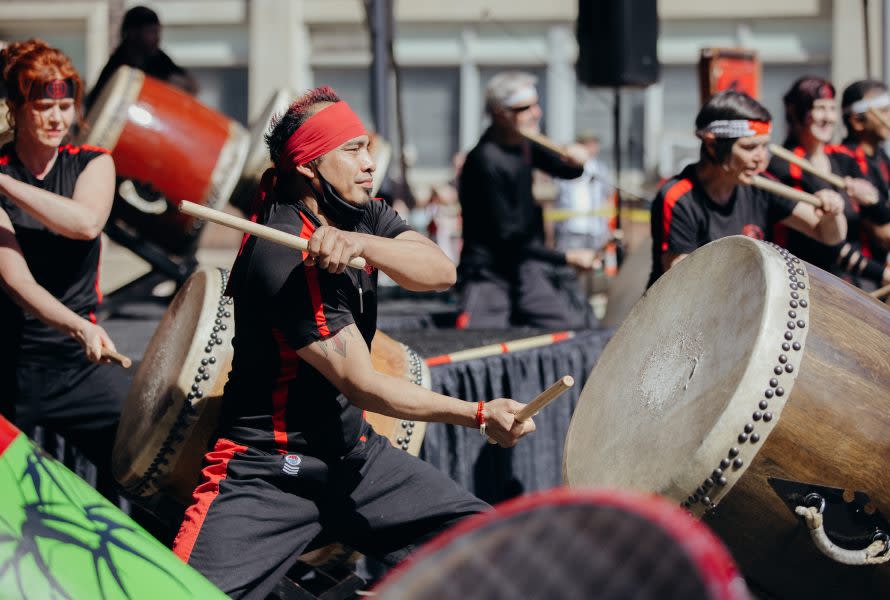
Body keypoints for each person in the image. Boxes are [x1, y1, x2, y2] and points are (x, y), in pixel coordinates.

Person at [172, 87, 535, 599]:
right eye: (352, 150)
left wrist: (363, 244)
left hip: (353, 457)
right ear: (308, 167)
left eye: (367, 147)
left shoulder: (358, 214)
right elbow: (363, 386)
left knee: (485, 544)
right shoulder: (281, 255)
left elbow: (440, 271)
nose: (369, 163)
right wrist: (478, 413)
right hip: (271, 471)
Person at [0, 40, 127, 479]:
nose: (57, 118)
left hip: (80, 365)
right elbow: (17, 281)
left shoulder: (94, 163)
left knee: (147, 459)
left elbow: (86, 223)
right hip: (10, 366)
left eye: (66, 105)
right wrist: (77, 325)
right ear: (15, 108)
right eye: (42, 105)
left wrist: (4, 184)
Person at [649, 90, 847, 286]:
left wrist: (833, 213)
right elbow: (680, 284)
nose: (761, 158)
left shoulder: (760, 184)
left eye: (764, 146)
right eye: (750, 147)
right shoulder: (679, 197)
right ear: (712, 145)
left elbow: (828, 236)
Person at [456, 71, 600, 329]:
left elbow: (567, 169)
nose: (537, 113)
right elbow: (507, 236)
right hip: (489, 271)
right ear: (502, 113)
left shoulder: (525, 144)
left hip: (525, 264)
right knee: (482, 339)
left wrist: (578, 160)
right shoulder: (485, 160)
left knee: (569, 326)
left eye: (536, 104)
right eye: (526, 107)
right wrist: (566, 257)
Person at [766, 76, 890, 288]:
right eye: (819, 108)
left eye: (831, 108)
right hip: (811, 283)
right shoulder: (785, 166)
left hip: (855, 281)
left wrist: (872, 200)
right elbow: (825, 245)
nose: (828, 117)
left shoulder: (842, 158)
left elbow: (884, 218)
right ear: (796, 112)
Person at [86, 5, 197, 110]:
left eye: (158, 32)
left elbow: (189, 85)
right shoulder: (118, 66)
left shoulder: (159, 59)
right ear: (132, 33)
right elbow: (96, 103)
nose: (157, 38)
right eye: (151, 32)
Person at [840, 79, 890, 271]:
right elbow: (880, 231)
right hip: (859, 276)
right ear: (857, 121)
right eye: (883, 112)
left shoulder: (880, 156)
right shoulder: (845, 159)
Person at [553, 130, 614, 252]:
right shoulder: (567, 166)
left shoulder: (601, 169)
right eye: (588, 144)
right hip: (570, 228)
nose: (591, 148)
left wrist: (608, 225)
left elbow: (608, 196)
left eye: (594, 144)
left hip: (595, 229)